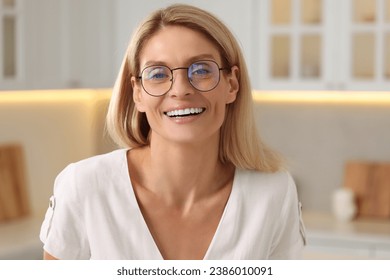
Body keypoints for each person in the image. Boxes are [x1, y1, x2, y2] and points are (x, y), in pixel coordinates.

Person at [40, 3, 306, 260]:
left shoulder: (275, 194)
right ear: (138, 93)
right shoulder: (84, 187)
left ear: (232, 84)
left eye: (201, 70)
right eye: (157, 74)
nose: (180, 90)